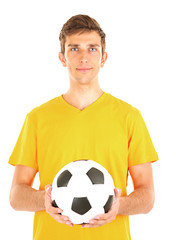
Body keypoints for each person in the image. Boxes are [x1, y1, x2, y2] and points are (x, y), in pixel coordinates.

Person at [9, 14, 159, 240]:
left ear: (103, 57)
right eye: (74, 49)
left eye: (92, 49)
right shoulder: (37, 119)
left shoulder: (129, 117)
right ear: (62, 58)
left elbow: (147, 197)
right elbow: (16, 195)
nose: (83, 57)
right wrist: (44, 201)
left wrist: (120, 206)